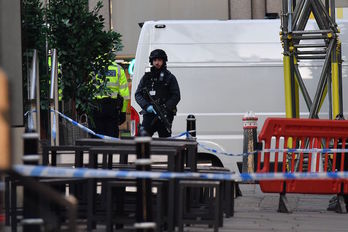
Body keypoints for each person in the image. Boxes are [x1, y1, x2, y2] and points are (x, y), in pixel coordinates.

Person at [135, 49, 180, 137]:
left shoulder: (170, 77)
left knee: (165, 143)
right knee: (143, 140)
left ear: (163, 61)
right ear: (152, 62)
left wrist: (165, 107)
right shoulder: (146, 77)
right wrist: (146, 106)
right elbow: (138, 94)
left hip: (165, 115)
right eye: (155, 60)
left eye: (159, 60)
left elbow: (176, 95)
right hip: (149, 115)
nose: (157, 63)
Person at [93, 62, 129, 138]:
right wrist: (123, 111)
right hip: (112, 107)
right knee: (112, 136)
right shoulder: (118, 68)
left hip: (96, 106)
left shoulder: (93, 67)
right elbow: (125, 94)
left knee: (97, 137)